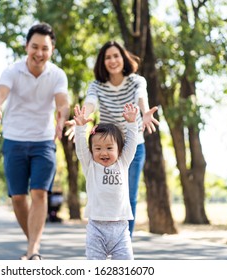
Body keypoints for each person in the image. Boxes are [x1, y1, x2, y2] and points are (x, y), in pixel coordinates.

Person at [0, 23, 69, 260]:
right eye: (34, 47)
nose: (39, 53)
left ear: (52, 49)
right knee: (18, 197)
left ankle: (33, 250)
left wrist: (61, 117)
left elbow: (63, 103)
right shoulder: (12, 71)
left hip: (44, 140)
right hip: (14, 139)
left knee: (39, 193)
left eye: (45, 48)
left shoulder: (57, 75)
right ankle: (33, 241)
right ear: (26, 46)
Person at [65, 41, 159, 237]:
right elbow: (91, 102)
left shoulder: (136, 80)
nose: (112, 60)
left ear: (123, 58)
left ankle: (125, 241)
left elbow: (141, 96)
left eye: (116, 55)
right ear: (102, 62)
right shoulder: (97, 85)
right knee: (104, 188)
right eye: (108, 57)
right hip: (108, 148)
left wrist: (145, 112)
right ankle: (101, 234)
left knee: (129, 194)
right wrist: (82, 119)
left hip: (134, 145)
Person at [74, 103, 139, 260]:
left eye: (109, 148)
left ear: (119, 150)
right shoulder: (90, 166)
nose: (103, 152)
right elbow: (81, 148)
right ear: (92, 150)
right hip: (96, 228)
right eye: (98, 148)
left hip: (121, 228)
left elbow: (132, 144)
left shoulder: (122, 163)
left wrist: (131, 123)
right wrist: (80, 128)